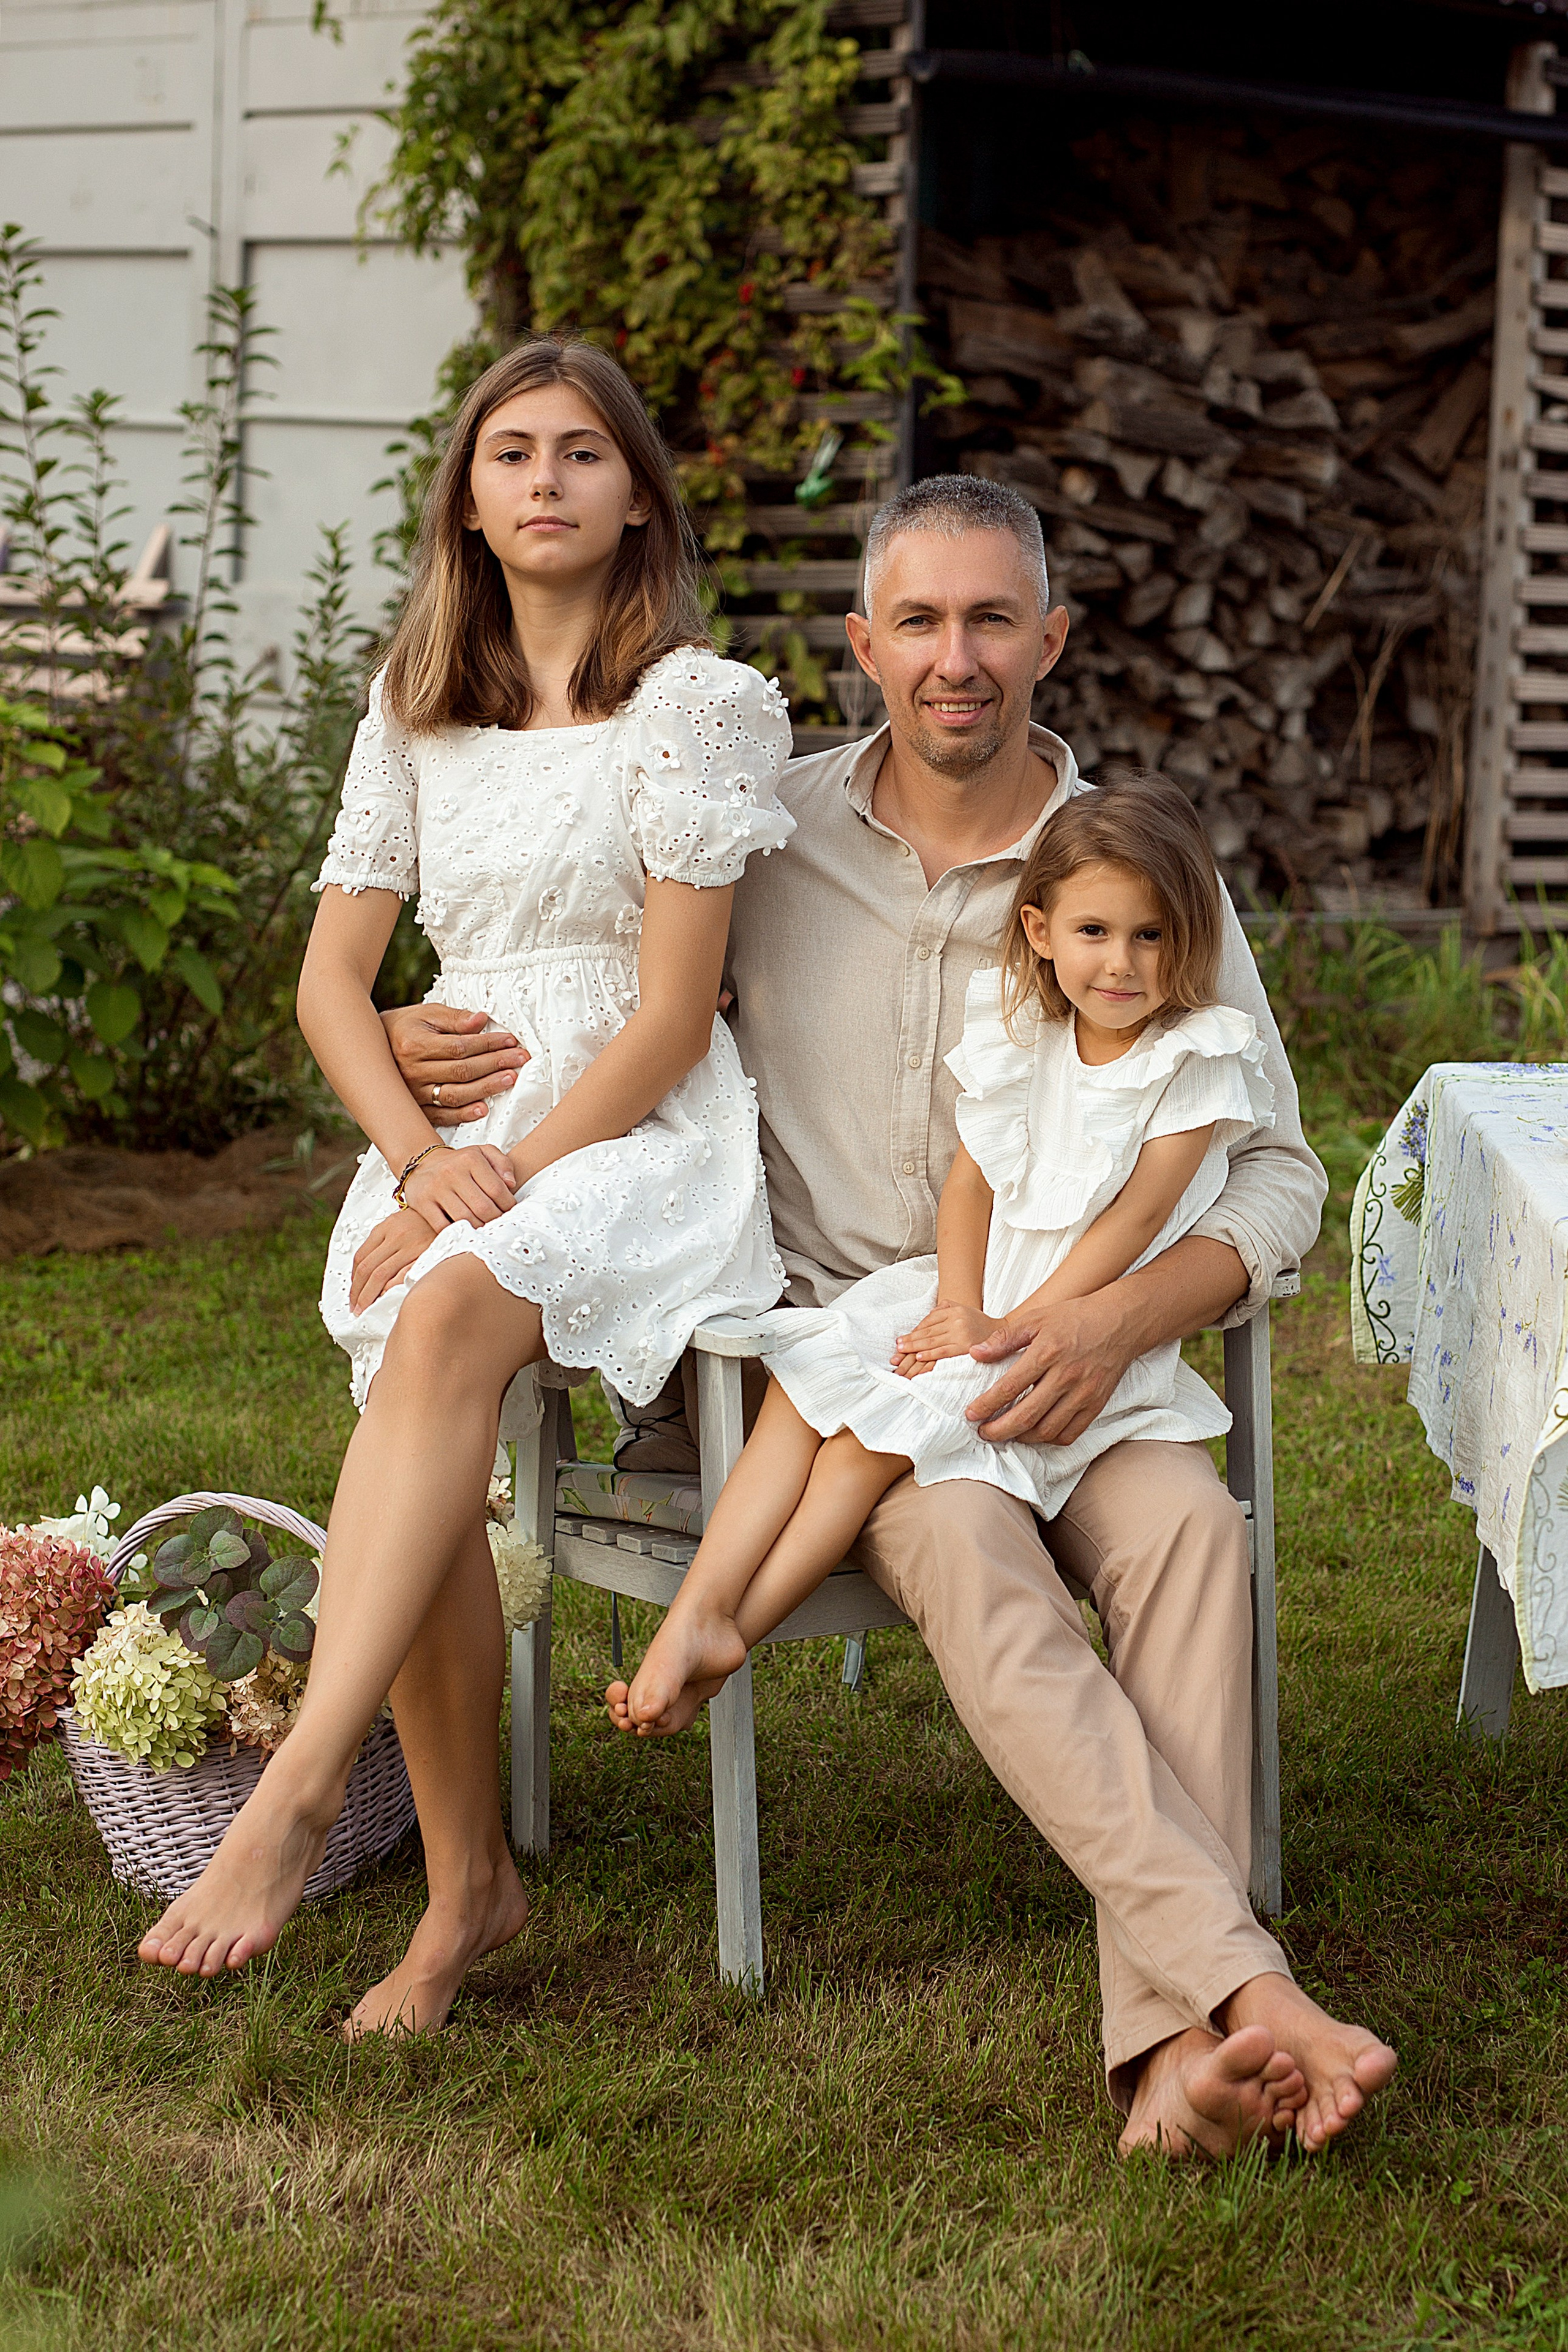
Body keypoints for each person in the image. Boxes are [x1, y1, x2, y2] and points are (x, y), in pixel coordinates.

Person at [379, 471, 1398, 2159]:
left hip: (1092, 1357)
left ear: (1052, 639)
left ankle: (1175, 2055)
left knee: (1193, 1545)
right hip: (867, 1374)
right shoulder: (755, 834)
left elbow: (1279, 1176)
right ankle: (1230, 2010)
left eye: (994, 616)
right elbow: (579, 998)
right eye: (918, 619)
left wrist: (1112, 1322)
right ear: (863, 642)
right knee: (974, 1558)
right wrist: (421, 1043)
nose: (956, 658)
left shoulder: (1133, 884)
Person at [133, 336, 794, 2033]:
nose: (549, 480)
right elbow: (330, 987)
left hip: (630, 1135)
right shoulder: (416, 708)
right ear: (471, 501)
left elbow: (670, 1014)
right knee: (410, 1386)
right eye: (514, 453)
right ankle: (467, 1889)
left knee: (433, 1335)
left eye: (585, 452)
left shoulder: (691, 706)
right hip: (455, 1145)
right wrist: (422, 1160)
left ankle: (297, 1800)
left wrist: (506, 1176)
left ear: (637, 496)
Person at [612, 772, 1276, 1740]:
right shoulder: (1026, 1036)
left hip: (1055, 1324)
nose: (1123, 963)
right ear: (1042, 931)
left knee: (859, 1449)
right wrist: (957, 1307)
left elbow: (1135, 1223)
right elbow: (971, 1183)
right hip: (966, 1297)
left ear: (1190, 939)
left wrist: (1017, 1329)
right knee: (806, 1385)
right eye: (1095, 933)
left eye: (1151, 935)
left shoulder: (1191, 1060)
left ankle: (736, 1628)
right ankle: (697, 1609)